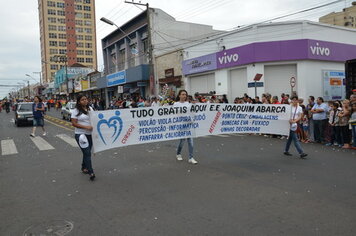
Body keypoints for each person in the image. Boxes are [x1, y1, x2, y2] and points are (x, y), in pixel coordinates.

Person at [71, 95, 95, 181]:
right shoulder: (76, 111)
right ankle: (91, 172)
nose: (85, 101)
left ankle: (83, 167)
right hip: (80, 135)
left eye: (86, 99)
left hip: (90, 134)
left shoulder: (90, 109)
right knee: (87, 152)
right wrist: (86, 127)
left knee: (86, 152)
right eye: (82, 100)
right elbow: (74, 123)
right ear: (79, 102)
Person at [174, 90, 198, 164]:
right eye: (183, 94)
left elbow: (193, 112)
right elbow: (174, 114)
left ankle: (191, 157)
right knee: (182, 141)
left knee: (190, 142)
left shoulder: (188, 104)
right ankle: (178, 154)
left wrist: (194, 105)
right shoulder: (176, 104)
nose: (184, 96)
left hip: (189, 125)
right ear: (179, 95)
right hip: (181, 125)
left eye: (185, 94)